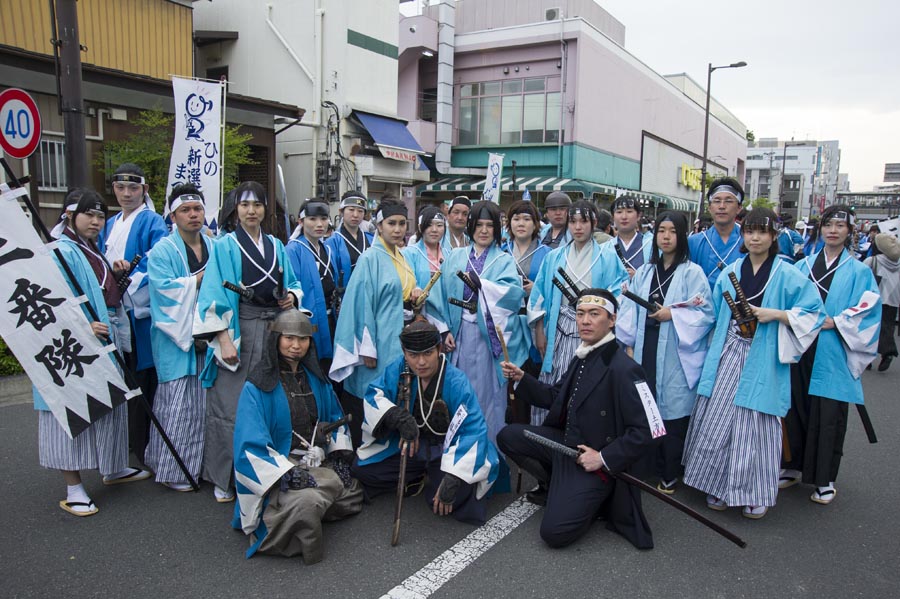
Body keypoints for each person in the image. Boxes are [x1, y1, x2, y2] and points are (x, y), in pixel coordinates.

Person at [682, 208, 825, 519]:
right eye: (749, 231)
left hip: (764, 356)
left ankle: (754, 492)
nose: (755, 237)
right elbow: (714, 315)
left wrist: (774, 314)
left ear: (774, 236)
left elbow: (814, 313)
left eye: (762, 231)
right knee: (717, 420)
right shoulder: (730, 269)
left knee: (757, 426)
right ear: (742, 235)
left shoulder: (787, 273)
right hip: (728, 351)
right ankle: (715, 484)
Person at [498, 288, 659, 549]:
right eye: (580, 314)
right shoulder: (583, 355)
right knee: (509, 435)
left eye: (594, 314)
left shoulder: (627, 369)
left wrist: (603, 458)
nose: (584, 321)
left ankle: (596, 500)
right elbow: (555, 396)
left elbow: (650, 430)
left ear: (612, 320)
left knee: (554, 534)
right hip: (566, 446)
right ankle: (555, 482)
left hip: (594, 462)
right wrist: (522, 379)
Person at [37, 189, 150, 517]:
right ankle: (73, 488)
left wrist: (114, 278)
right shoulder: (59, 249)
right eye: (90, 214)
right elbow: (51, 299)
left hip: (104, 336)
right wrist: (83, 325)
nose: (97, 222)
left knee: (111, 404)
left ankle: (113, 468)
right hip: (71, 345)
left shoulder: (90, 249)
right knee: (69, 411)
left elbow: (97, 290)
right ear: (70, 214)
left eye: (101, 216)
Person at [193, 180, 303, 503]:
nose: (251, 211)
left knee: (270, 403)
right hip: (239, 330)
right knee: (230, 405)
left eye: (257, 205)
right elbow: (213, 293)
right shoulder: (225, 246)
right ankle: (223, 476)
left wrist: (291, 296)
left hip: (273, 330)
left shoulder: (277, 246)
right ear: (235, 210)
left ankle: (264, 471)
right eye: (244, 205)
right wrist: (223, 339)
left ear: (265, 209)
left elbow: (292, 282)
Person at [232, 310, 362, 564]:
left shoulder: (317, 379)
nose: (296, 346)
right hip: (281, 469)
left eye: (303, 339)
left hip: (315, 461)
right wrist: (286, 473)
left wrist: (331, 453)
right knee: (308, 501)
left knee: (353, 489)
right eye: (289, 338)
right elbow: (250, 445)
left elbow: (335, 418)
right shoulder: (257, 386)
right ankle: (297, 515)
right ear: (276, 338)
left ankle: (308, 506)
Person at [351, 321, 500, 525]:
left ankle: (438, 475)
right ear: (405, 353)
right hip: (411, 447)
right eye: (413, 355)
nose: (421, 362)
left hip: (445, 451)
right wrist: (397, 416)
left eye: (428, 353)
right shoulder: (398, 369)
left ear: (439, 349)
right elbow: (374, 396)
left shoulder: (457, 382)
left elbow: (473, 429)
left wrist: (454, 477)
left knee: (449, 497)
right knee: (363, 469)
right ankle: (418, 475)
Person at [782, 206, 881, 505]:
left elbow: (869, 310)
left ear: (850, 231)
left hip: (834, 347)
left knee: (828, 415)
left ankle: (825, 478)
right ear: (820, 229)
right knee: (795, 406)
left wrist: (837, 321)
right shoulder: (803, 266)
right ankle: (791, 465)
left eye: (840, 225)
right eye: (828, 224)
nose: (833, 230)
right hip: (802, 345)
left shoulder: (860, 271)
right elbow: (788, 299)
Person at [617, 212, 715, 494]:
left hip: (674, 349)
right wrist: (627, 341)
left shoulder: (692, 272)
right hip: (644, 345)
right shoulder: (645, 272)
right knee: (643, 408)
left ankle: (669, 471)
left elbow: (706, 313)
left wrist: (672, 314)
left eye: (673, 231)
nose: (667, 237)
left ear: (682, 236)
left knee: (671, 413)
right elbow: (628, 310)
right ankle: (645, 467)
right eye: (661, 231)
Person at [330, 199, 423, 447]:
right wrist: (365, 348)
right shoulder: (369, 258)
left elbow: (404, 294)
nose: (398, 229)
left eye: (402, 224)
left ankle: (391, 452)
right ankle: (366, 456)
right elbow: (360, 305)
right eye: (391, 223)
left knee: (395, 395)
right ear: (379, 226)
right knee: (372, 396)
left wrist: (415, 296)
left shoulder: (404, 256)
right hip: (378, 340)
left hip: (400, 338)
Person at [528, 200, 628, 425]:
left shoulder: (607, 256)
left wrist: (600, 317)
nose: (578, 227)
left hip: (593, 331)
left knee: (588, 386)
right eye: (572, 222)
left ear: (594, 223)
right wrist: (540, 330)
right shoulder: (554, 257)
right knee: (553, 383)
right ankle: (547, 434)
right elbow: (540, 295)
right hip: (559, 329)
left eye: (584, 221)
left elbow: (618, 292)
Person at [145, 184, 214, 491]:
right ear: (173, 215)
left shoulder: (215, 244)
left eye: (197, 209)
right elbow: (163, 293)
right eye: (185, 210)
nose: (193, 215)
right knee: (177, 405)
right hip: (177, 339)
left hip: (210, 333)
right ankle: (173, 470)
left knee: (205, 406)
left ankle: (200, 466)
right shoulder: (161, 251)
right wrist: (200, 279)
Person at [443, 200, 529, 446]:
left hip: (486, 339)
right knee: (457, 394)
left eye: (489, 226)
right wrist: (444, 330)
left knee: (486, 398)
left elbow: (513, 297)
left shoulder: (503, 260)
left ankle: (487, 454)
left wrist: (484, 286)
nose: (483, 230)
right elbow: (439, 295)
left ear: (497, 229)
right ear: (470, 226)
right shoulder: (455, 256)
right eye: (478, 224)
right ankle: (456, 452)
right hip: (458, 335)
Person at [98, 163, 168, 465]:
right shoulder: (109, 222)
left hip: (139, 312)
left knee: (143, 379)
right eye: (120, 187)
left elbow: (158, 259)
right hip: (113, 309)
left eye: (133, 188)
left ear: (144, 190)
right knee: (121, 377)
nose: (126, 194)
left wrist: (129, 274)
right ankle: (125, 441)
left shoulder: (152, 221)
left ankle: (144, 445)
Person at [502, 200, 552, 404]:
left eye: (526, 219)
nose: (521, 223)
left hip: (535, 321)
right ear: (509, 224)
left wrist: (536, 289)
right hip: (507, 321)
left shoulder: (547, 253)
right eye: (516, 219)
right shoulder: (501, 251)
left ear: (536, 224)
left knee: (531, 374)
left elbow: (552, 291)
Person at [286, 199, 338, 372]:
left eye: (324, 219)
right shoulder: (293, 249)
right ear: (301, 222)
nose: (319, 224)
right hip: (308, 319)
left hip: (331, 317)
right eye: (312, 219)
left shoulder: (327, 249)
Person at [688, 177, 744, 289]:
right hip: (702, 305)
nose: (722, 206)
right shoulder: (693, 242)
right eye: (717, 201)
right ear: (709, 207)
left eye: (728, 201)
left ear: (739, 208)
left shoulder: (748, 241)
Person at [403, 204, 451, 335]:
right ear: (420, 227)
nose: (434, 230)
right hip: (421, 317)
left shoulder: (449, 254)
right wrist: (416, 288)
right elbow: (408, 281)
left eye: (439, 225)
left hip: (447, 317)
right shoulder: (410, 253)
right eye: (429, 225)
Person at [864, 233, 900, 371]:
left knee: (869, 328)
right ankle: (888, 351)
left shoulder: (873, 261)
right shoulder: (897, 262)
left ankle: (867, 357)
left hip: (874, 299)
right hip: (893, 299)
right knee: (888, 328)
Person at [326, 190, 373, 288]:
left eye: (360, 211)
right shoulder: (332, 242)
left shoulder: (371, 240)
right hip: (344, 296)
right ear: (341, 211)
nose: (355, 215)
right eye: (351, 209)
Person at [612, 196, 653, 278]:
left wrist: (637, 277)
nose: (624, 217)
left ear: (638, 216)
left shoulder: (651, 246)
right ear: (613, 216)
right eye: (619, 212)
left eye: (629, 211)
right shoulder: (605, 248)